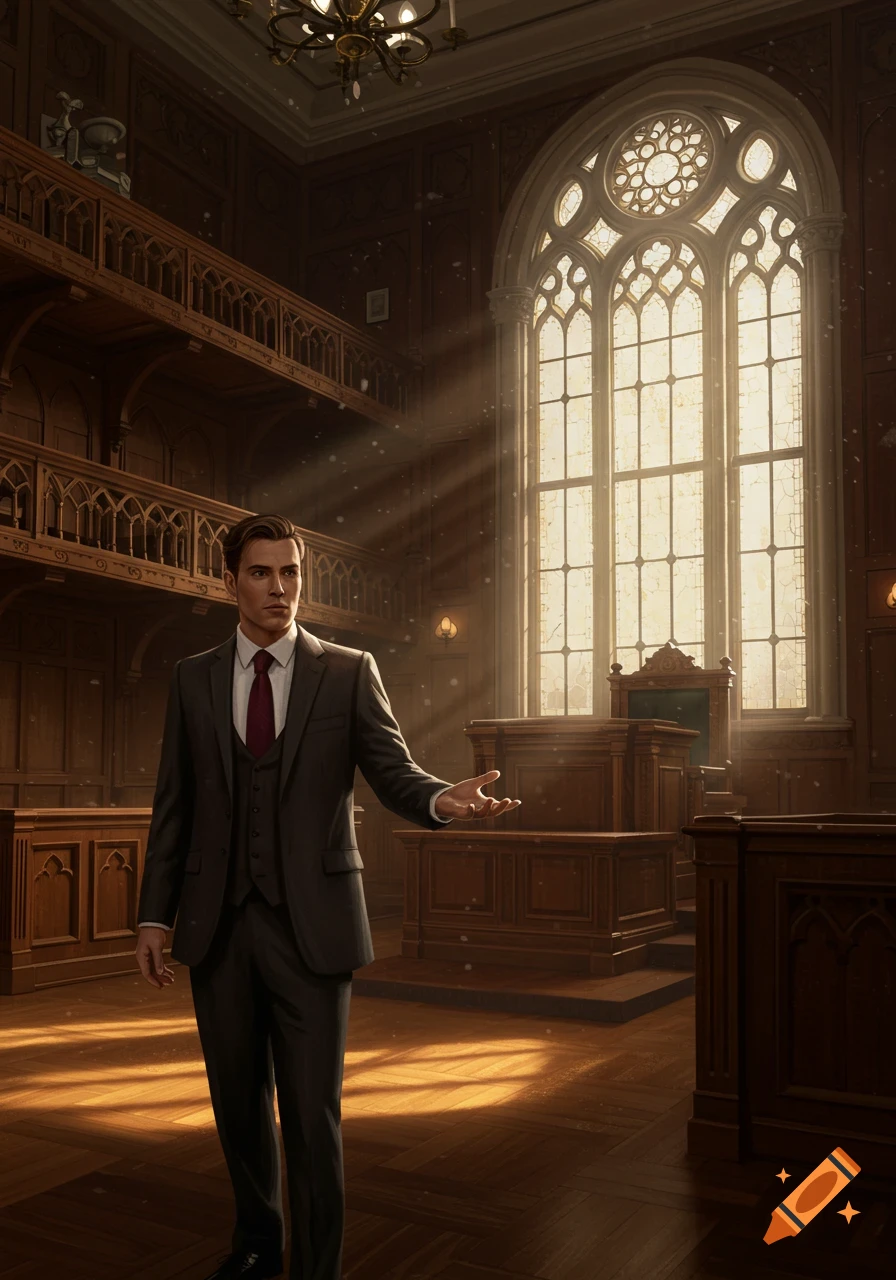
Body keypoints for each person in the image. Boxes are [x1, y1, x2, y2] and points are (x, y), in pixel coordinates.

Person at [134, 512, 520, 1280]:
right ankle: (256, 1243)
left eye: (290, 573)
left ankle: (317, 1270)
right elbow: (174, 804)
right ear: (230, 581)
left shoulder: (347, 670)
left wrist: (445, 801)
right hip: (217, 928)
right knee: (239, 1107)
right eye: (260, 573)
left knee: (312, 1116)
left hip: (312, 928)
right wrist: (154, 914)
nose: (279, 589)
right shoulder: (192, 678)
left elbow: (394, 773)